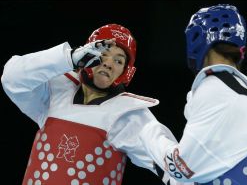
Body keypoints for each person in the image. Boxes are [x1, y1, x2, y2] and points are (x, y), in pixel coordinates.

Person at [1, 24, 192, 185]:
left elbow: (174, 164)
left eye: (119, 60)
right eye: (104, 53)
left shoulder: (128, 114)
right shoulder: (56, 92)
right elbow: (12, 78)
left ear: (125, 73)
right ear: (86, 54)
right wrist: (69, 58)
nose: (109, 63)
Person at [139, 4, 247, 184]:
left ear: (198, 39)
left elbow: (181, 169)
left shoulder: (215, 87)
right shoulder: (244, 89)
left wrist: (147, 131)